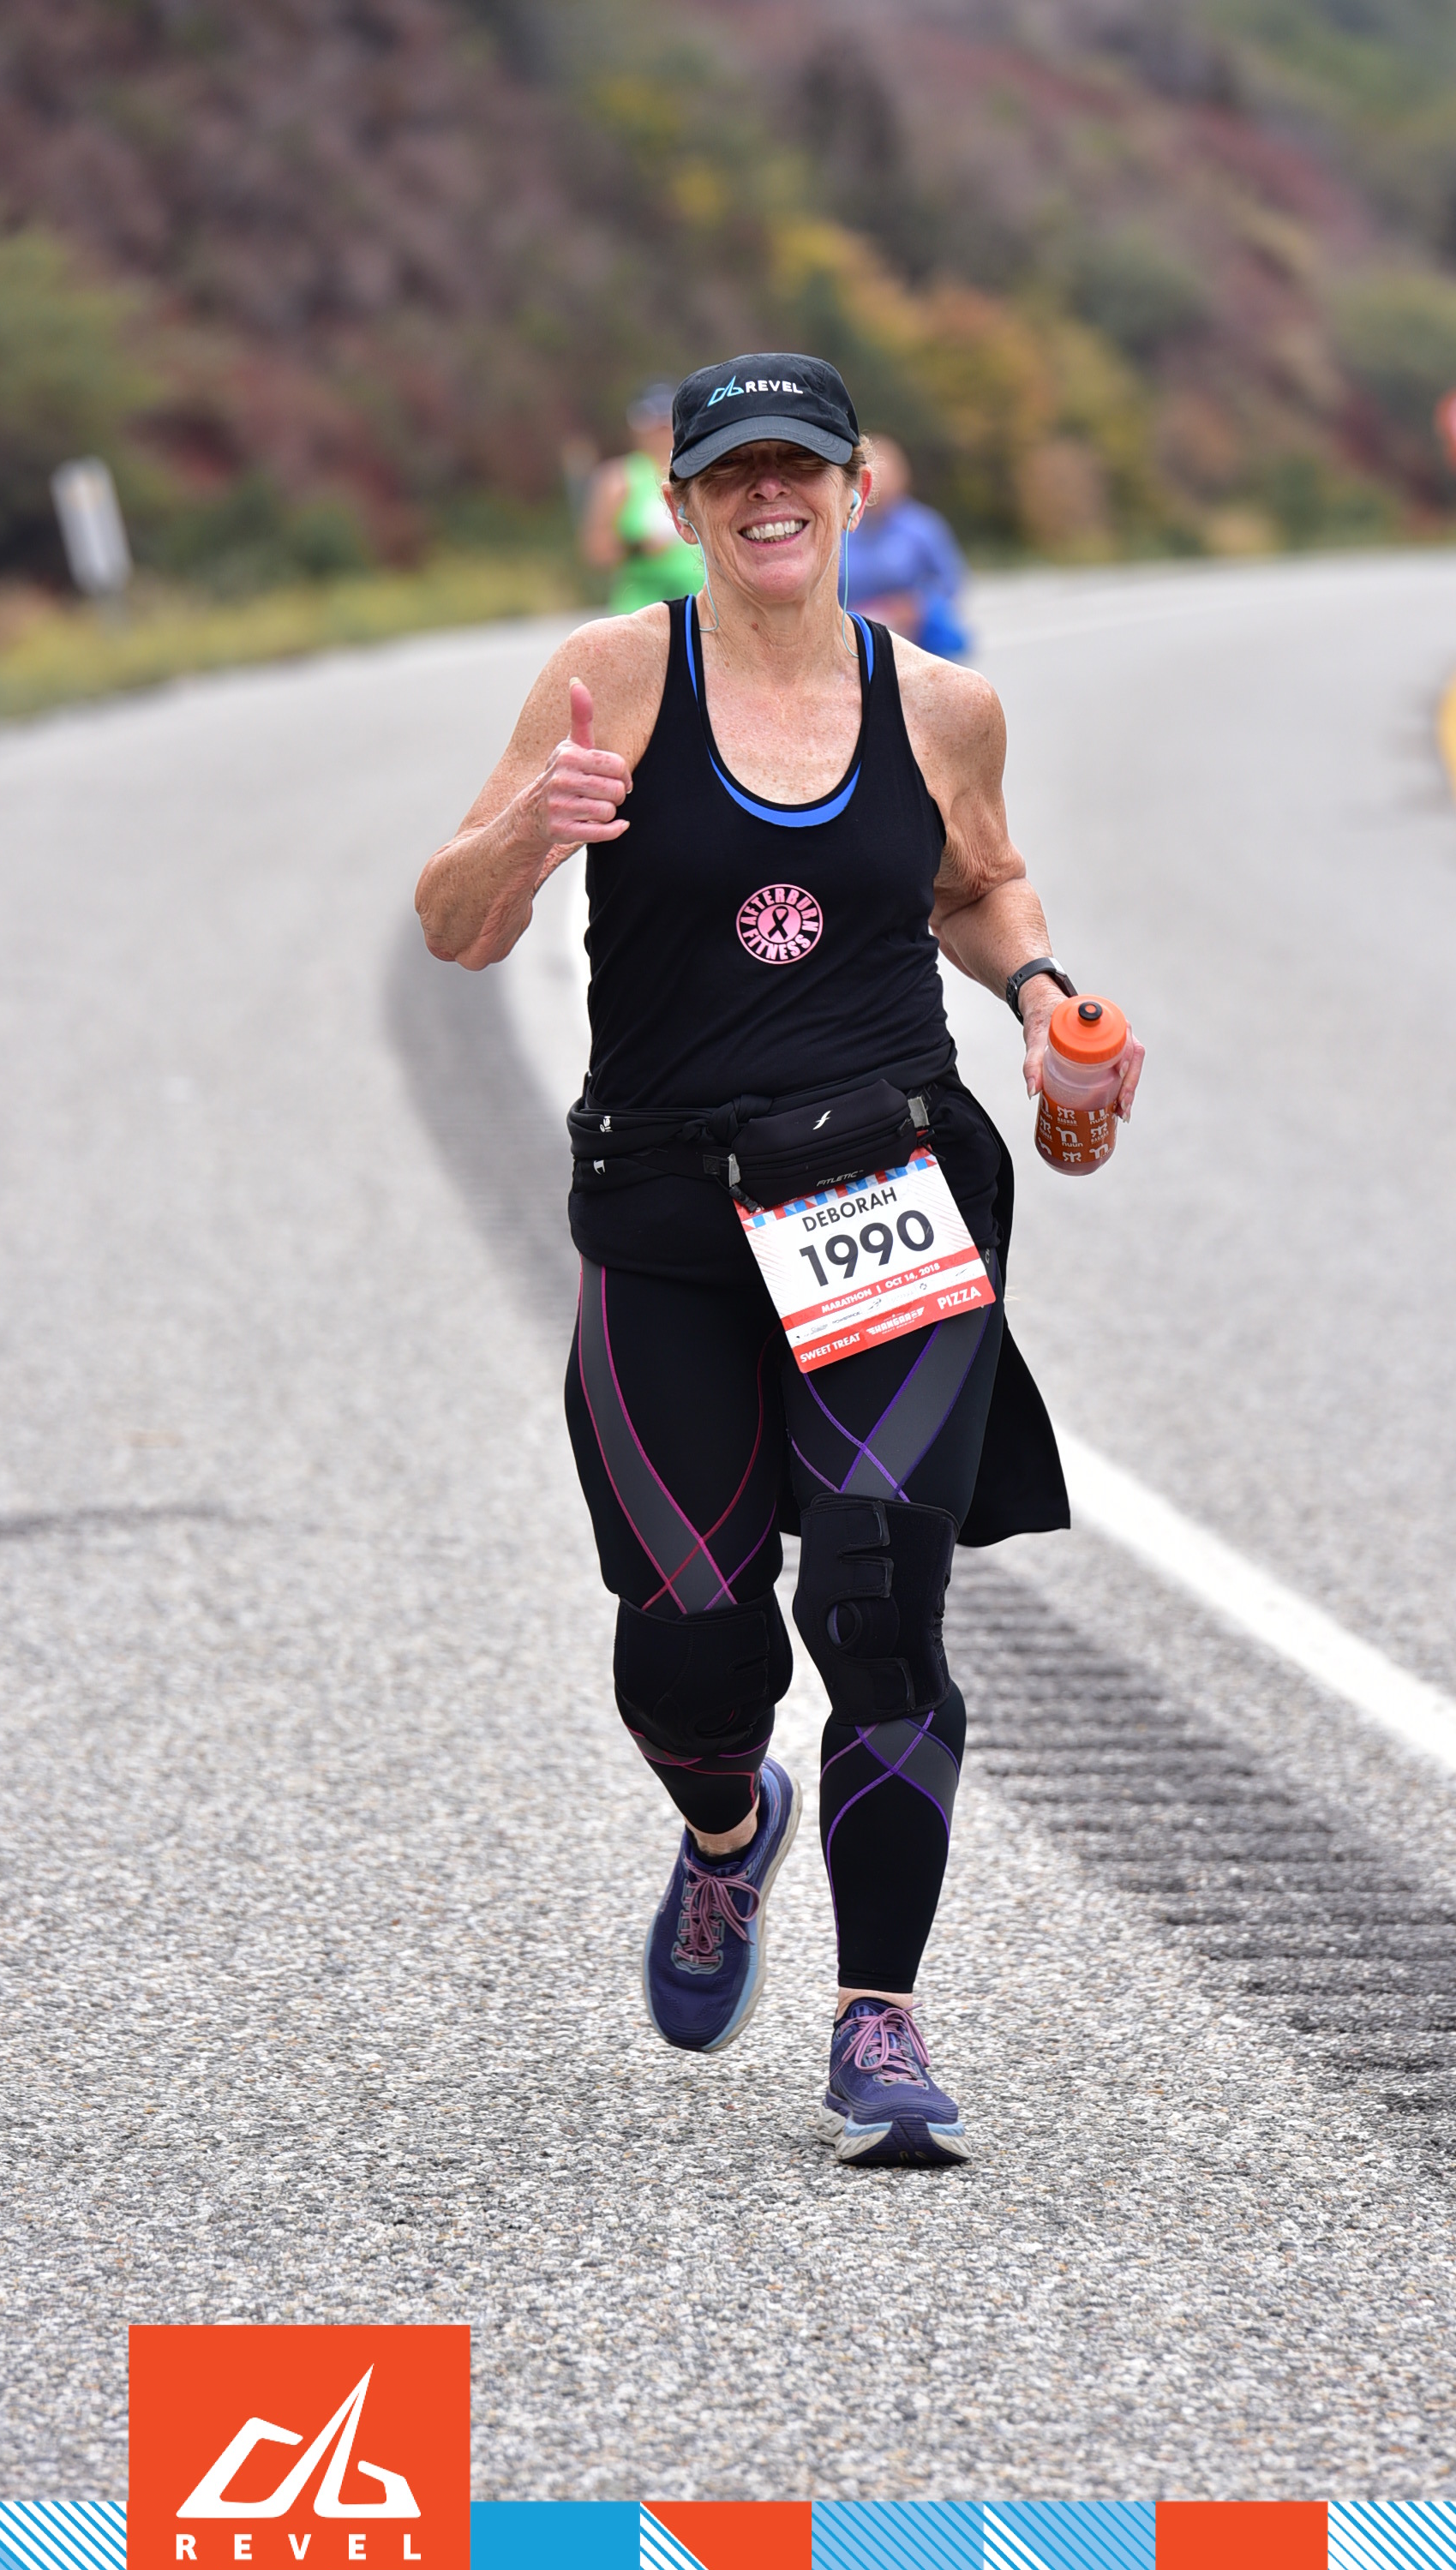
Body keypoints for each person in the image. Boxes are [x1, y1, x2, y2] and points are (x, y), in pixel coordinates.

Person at [416, 351, 1143, 2166]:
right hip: (664, 1211)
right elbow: (454, 925)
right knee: (690, 1643)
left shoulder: (940, 703)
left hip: (874, 1190)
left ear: (850, 489)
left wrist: (1042, 995)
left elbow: (978, 881)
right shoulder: (607, 681)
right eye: (729, 470)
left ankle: (875, 2014)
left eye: (796, 467)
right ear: (679, 504)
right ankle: (728, 1836)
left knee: (876, 1604)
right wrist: (529, 828)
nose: (766, 494)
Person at [580, 382, 707, 614]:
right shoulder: (619, 478)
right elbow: (596, 550)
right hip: (641, 607)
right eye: (653, 422)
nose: (661, 430)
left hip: (699, 606)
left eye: (666, 420)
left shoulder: (702, 472)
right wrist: (639, 547)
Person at [839, 434, 969, 657]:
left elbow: (951, 581)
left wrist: (916, 606)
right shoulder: (841, 528)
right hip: (856, 646)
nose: (879, 484)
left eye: (885, 474)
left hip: (918, 646)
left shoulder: (922, 527)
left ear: (902, 476)